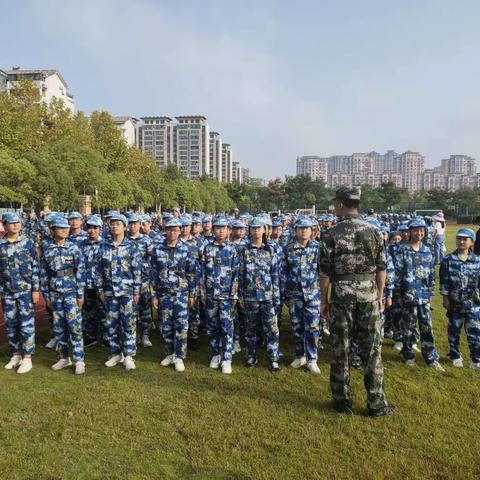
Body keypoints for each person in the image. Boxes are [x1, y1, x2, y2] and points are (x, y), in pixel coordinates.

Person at [319, 186, 395, 417]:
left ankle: (342, 401)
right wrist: (379, 295)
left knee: (340, 350)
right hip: (368, 295)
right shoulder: (374, 231)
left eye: (335, 203)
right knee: (372, 351)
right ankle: (376, 404)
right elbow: (382, 269)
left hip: (342, 297)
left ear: (341, 204)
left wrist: (324, 300)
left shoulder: (331, 234)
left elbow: (325, 274)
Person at [394, 218, 445, 372]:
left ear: (425, 232)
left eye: (421, 230)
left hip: (423, 297)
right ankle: (408, 355)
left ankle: (431, 358)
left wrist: (430, 292)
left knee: (427, 328)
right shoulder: (402, 250)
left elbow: (430, 275)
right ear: (410, 232)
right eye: (415, 230)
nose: (419, 233)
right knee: (408, 328)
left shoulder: (427, 251)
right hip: (407, 296)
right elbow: (397, 275)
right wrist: (399, 296)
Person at [151, 217, 198, 372]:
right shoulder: (157, 249)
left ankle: (179, 356)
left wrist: (192, 294)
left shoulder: (187, 249)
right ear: (165, 231)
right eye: (170, 229)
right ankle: (170, 352)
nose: (173, 232)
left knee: (181, 326)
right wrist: (153, 295)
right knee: (165, 326)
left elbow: (192, 273)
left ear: (180, 231)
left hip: (181, 294)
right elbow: (152, 273)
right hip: (163, 294)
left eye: (176, 230)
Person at [40, 216, 86, 375]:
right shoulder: (48, 249)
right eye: (61, 228)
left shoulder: (73, 248)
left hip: (71, 293)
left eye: (66, 228)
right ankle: (64, 357)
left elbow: (80, 272)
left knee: (74, 327)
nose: (65, 230)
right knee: (58, 327)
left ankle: (79, 359)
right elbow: (44, 274)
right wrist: (46, 296)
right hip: (55, 294)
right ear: (53, 230)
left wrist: (80, 294)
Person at [97, 213, 142, 371]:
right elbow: (98, 270)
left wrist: (136, 291)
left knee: (128, 323)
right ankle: (116, 353)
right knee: (111, 324)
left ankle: (129, 355)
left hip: (127, 292)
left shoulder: (131, 247)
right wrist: (100, 289)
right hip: (109, 292)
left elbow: (137, 271)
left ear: (125, 226)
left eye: (118, 224)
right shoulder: (103, 246)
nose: (114, 226)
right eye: (112, 224)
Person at [239, 217, 281, 372]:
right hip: (250, 296)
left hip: (268, 296)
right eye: (253, 227)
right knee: (250, 328)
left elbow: (275, 275)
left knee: (271, 328)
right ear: (250, 230)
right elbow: (240, 274)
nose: (256, 230)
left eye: (259, 228)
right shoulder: (244, 250)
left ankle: (273, 358)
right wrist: (241, 295)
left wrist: (276, 297)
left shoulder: (271, 250)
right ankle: (251, 355)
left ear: (264, 230)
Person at [0, 213, 39, 374]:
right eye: (12, 223)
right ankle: (16, 354)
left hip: (25, 291)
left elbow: (35, 267)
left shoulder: (28, 243)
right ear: (5, 225)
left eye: (18, 223)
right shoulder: (1, 245)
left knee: (26, 324)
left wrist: (36, 289)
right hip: (7, 292)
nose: (15, 225)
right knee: (11, 324)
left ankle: (27, 357)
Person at [200, 215, 240, 374]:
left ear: (229, 230)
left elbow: (236, 274)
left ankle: (227, 358)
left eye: (223, 228)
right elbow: (202, 272)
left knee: (227, 327)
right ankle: (215, 354)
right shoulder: (207, 248)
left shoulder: (233, 249)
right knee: (212, 326)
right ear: (213, 230)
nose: (221, 231)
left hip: (227, 296)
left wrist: (234, 294)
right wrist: (202, 292)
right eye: (218, 228)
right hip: (210, 295)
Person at [283, 217, 322, 374]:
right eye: (301, 228)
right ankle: (300, 356)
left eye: (307, 228)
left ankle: (312, 359)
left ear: (312, 231)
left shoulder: (318, 248)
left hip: (312, 295)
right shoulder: (289, 249)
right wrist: (285, 293)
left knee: (312, 328)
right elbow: (283, 272)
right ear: (296, 230)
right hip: (295, 296)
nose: (304, 231)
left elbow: (323, 272)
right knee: (297, 327)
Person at [439, 228, 480, 370]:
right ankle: (456, 356)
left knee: (474, 332)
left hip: (473, 305)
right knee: (454, 331)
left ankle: (476, 360)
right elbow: (444, 282)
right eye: (459, 238)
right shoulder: (448, 260)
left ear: (472, 242)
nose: (461, 241)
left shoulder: (477, 260)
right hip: (455, 304)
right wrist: (445, 299)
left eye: (465, 239)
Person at [127, 213, 154, 347]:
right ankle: (134, 334)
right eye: (131, 223)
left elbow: (152, 259)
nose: (133, 226)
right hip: (128, 281)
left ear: (140, 225)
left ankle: (145, 334)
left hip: (143, 280)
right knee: (132, 308)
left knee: (145, 307)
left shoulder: (146, 240)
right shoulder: (125, 241)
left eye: (136, 223)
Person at [78, 215, 105, 347]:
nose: (92, 230)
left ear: (100, 229)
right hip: (86, 285)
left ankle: (106, 337)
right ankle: (90, 336)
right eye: (89, 228)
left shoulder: (105, 245)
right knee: (88, 312)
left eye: (95, 228)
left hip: (101, 286)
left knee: (104, 311)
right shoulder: (81, 245)